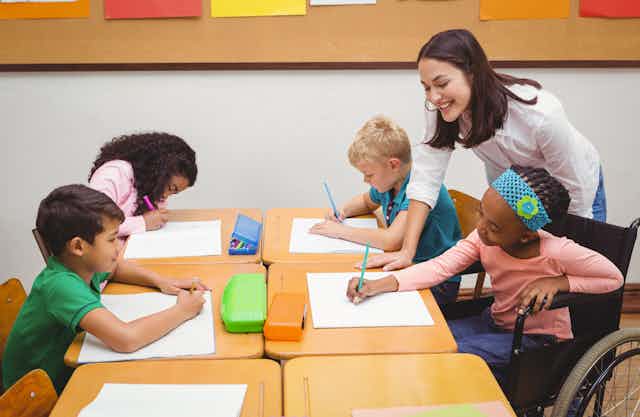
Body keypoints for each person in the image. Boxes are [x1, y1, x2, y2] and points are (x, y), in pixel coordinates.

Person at [347, 166, 622, 387]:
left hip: (537, 338)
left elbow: (613, 278)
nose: (480, 228)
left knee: (453, 354)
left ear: (525, 234)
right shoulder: (482, 238)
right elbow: (440, 267)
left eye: (493, 225)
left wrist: (560, 282)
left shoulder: (557, 251)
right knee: (429, 340)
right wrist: (379, 285)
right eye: (481, 214)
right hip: (494, 321)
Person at [368, 29, 605, 271]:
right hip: (514, 191)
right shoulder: (440, 109)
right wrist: (407, 252)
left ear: (473, 73)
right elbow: (425, 179)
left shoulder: (541, 115)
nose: (434, 97)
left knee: (568, 272)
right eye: (426, 87)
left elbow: (576, 195)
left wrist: (572, 257)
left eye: (441, 84)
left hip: (570, 189)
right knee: (522, 272)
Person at [3, 185, 207, 393]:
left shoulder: (80, 265)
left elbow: (114, 269)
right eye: (111, 239)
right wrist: (182, 311)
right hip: (33, 398)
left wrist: (161, 280)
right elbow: (126, 339)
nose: (119, 247)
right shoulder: (59, 285)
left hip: (64, 374)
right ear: (78, 246)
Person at [311, 115, 462, 304]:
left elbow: (391, 240)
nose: (366, 180)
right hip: (407, 268)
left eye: (369, 175)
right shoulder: (389, 184)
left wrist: (341, 232)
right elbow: (366, 201)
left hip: (438, 281)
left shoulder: (419, 189)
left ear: (393, 165)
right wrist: (343, 211)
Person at [89, 132, 197, 237]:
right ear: (159, 170)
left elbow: (152, 219)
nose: (165, 196)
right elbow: (95, 223)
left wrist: (155, 217)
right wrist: (143, 222)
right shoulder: (113, 173)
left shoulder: (147, 187)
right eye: (170, 188)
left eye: (174, 193)